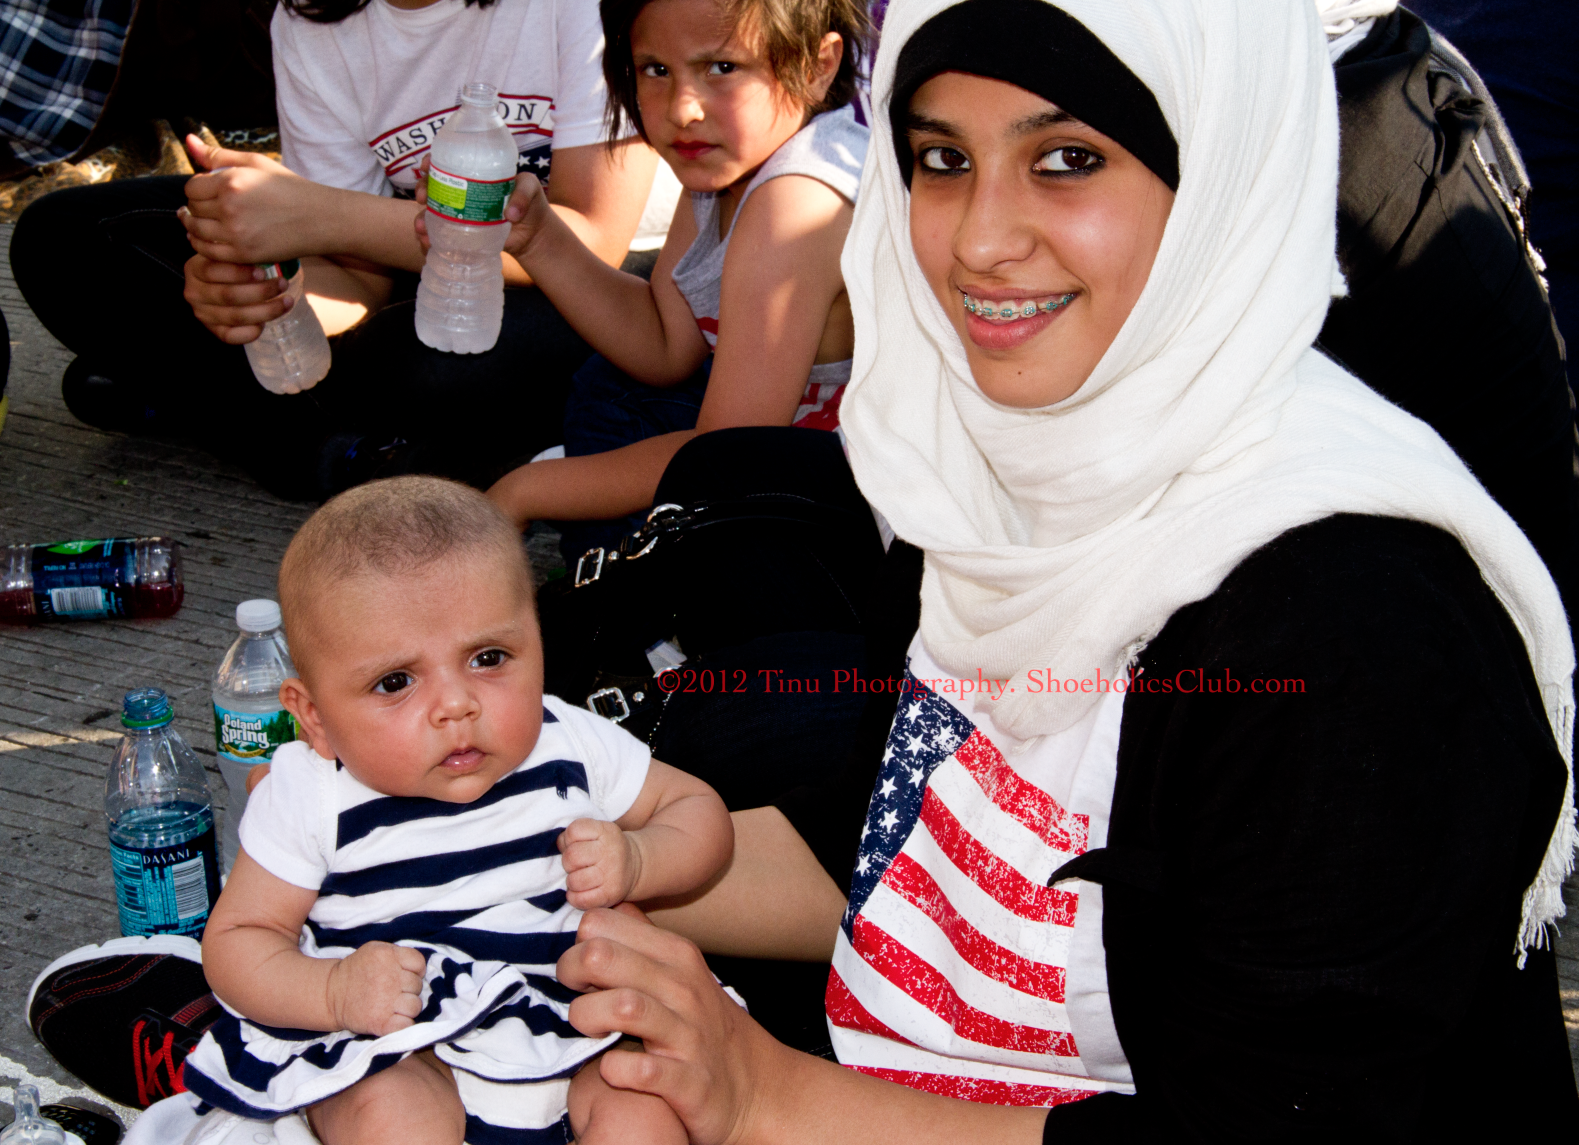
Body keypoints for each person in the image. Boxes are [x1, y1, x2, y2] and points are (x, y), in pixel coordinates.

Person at [537, 0, 1579, 1138]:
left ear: (1219, 176)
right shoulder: (983, 470)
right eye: (942, 159)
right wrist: (539, 871)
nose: (979, 240)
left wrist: (761, 1093)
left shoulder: (1353, 633)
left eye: (1068, 159)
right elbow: (884, 842)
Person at [165, 477, 733, 1143]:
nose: (456, 704)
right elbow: (238, 940)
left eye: (488, 658)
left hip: (571, 1024)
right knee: (392, 1114)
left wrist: (641, 857)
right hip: (396, 1042)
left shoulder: (569, 741)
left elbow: (697, 808)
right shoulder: (313, 793)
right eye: (396, 681)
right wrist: (333, 992)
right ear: (313, 716)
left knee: (644, 1107)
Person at [10, 0, 676, 499]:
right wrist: (267, 292)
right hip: (411, 271)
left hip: (604, 294)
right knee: (65, 237)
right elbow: (360, 280)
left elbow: (593, 238)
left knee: (431, 364)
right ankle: (361, 445)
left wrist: (323, 216)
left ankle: (272, 427)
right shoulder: (313, 18)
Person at [474, 0, 869, 561]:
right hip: (773, 451)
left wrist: (524, 492)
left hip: (857, 504)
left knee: (632, 458)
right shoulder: (726, 169)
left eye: (723, 68)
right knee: (608, 390)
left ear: (817, 67)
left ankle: (639, 596)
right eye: (656, 70)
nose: (683, 108)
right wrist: (539, 238)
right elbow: (667, 346)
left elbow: (726, 456)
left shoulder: (798, 202)